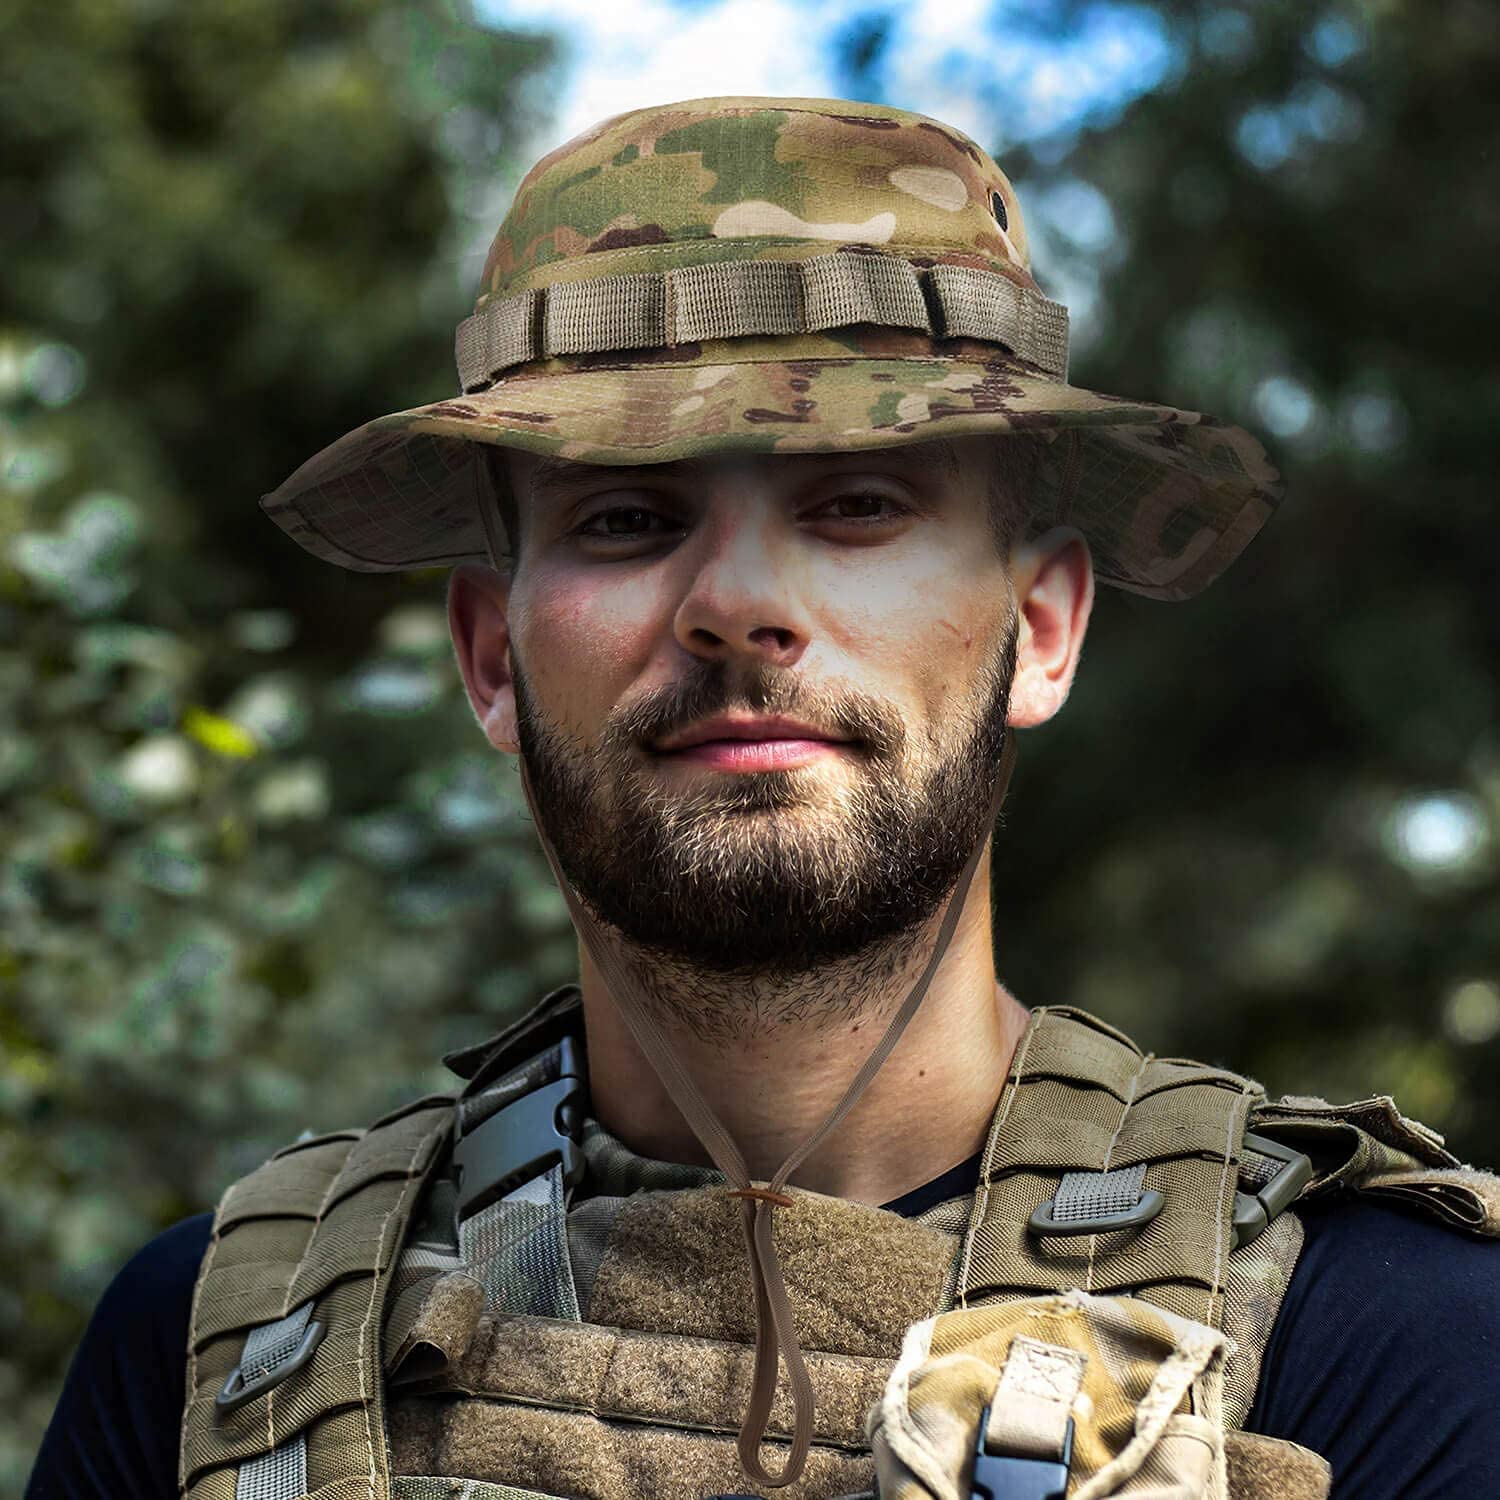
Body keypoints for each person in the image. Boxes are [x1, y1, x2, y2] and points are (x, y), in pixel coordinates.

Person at [27, 96, 1500, 1500]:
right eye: (627, 517)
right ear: (490, 656)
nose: (738, 606)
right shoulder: (213, 1355)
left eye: (858, 503)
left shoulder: (1383, 1339)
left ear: (1041, 626)